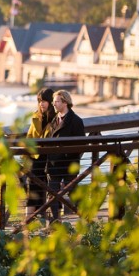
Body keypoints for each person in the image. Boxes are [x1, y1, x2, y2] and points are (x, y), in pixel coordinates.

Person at [46, 90, 86, 221]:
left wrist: (69, 154)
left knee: (73, 192)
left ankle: (85, 217)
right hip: (53, 163)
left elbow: (82, 144)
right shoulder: (54, 119)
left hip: (69, 163)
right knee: (52, 193)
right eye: (53, 102)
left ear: (65, 102)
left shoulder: (76, 121)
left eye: (57, 101)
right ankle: (56, 222)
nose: (54, 104)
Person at [25, 88, 55, 220]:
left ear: (51, 102)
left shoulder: (56, 119)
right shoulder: (36, 116)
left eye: (44, 101)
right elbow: (29, 137)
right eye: (39, 101)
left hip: (50, 159)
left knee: (51, 190)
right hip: (35, 158)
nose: (41, 104)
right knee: (32, 189)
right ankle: (28, 219)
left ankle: (51, 220)